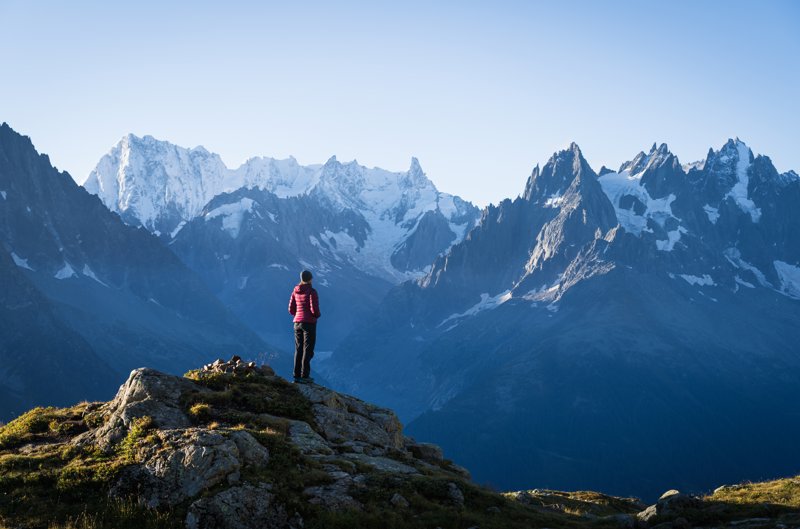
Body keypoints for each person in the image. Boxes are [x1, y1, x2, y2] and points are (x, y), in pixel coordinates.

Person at [288, 270, 321, 384]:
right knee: (308, 350)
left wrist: (298, 315)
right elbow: (314, 309)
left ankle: (296, 375)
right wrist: (317, 315)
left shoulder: (295, 290)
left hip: (297, 323)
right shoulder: (312, 292)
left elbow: (291, 309)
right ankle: (305, 376)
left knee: (298, 349)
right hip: (309, 324)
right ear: (310, 279)